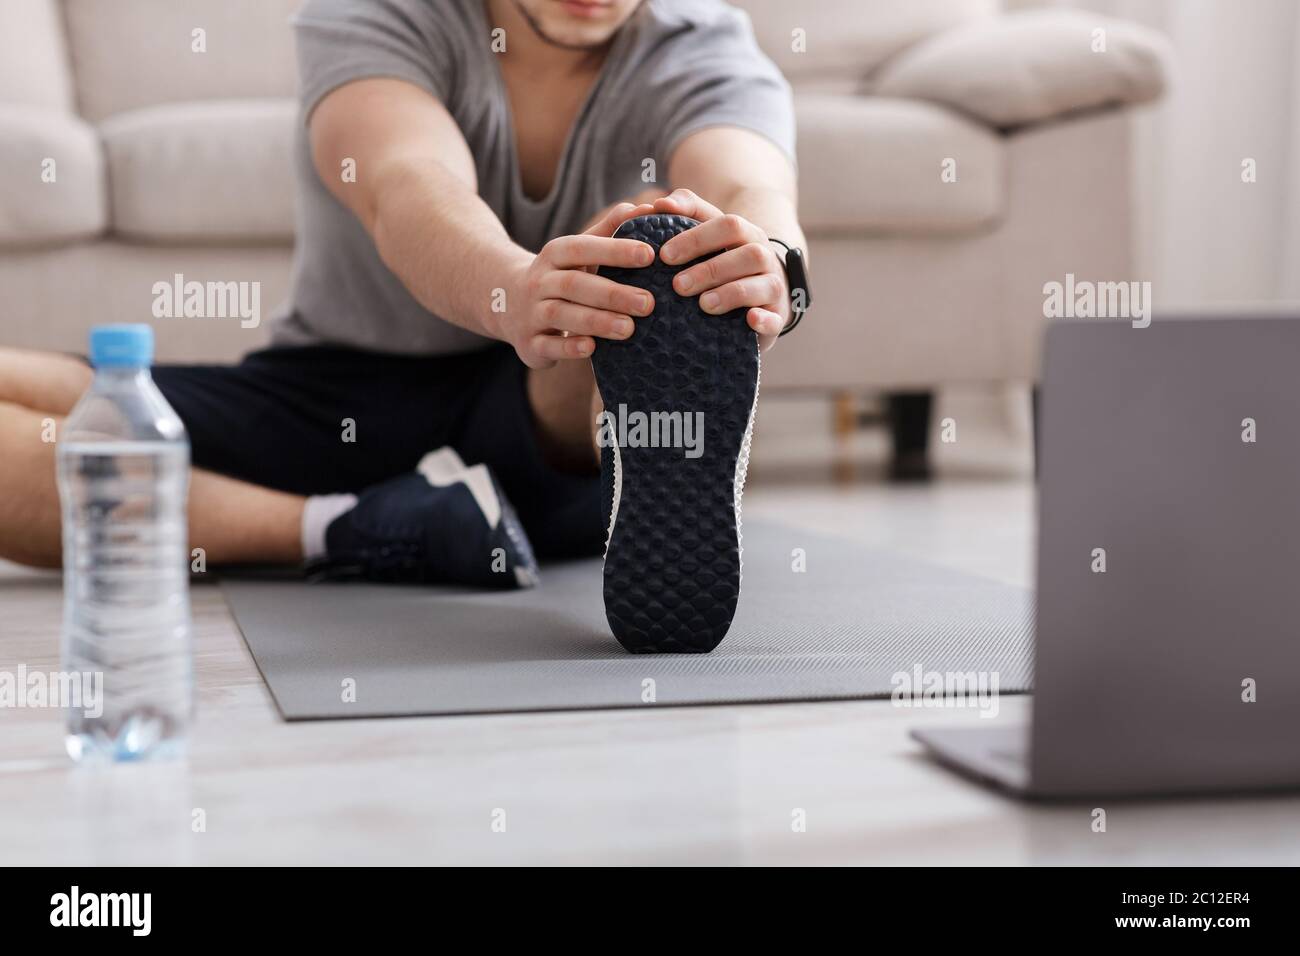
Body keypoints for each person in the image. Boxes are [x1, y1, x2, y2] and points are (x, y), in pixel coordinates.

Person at [0, 0, 807, 585]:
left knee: (640, 243)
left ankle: (625, 443)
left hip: (544, 415)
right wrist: (515, 290)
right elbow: (406, 183)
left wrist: (769, 259)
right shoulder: (373, 12)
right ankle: (360, 527)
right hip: (332, 395)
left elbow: (748, 178)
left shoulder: (703, 43)